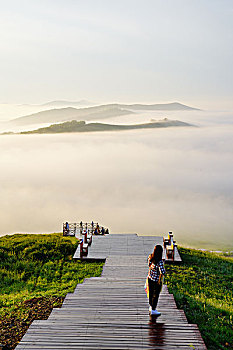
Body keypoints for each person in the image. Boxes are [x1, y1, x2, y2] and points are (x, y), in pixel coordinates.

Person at [147, 245, 165, 316]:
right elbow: (163, 272)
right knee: (156, 295)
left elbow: (149, 265)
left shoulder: (150, 257)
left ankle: (151, 307)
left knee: (150, 294)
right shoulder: (159, 262)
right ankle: (153, 310)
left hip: (150, 278)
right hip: (156, 281)